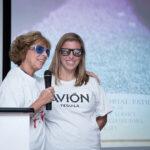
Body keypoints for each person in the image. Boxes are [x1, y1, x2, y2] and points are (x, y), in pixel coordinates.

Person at [45, 32, 112, 150]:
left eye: (77, 52)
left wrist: (86, 135)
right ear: (58, 53)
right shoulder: (45, 83)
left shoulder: (92, 83)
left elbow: (103, 117)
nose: (71, 56)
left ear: (81, 56)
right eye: (66, 51)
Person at [0, 31, 54, 150]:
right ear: (24, 51)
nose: (45, 55)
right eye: (39, 49)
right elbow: (9, 122)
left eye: (47, 51)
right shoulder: (13, 81)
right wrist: (40, 101)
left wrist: (85, 74)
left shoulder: (40, 82)